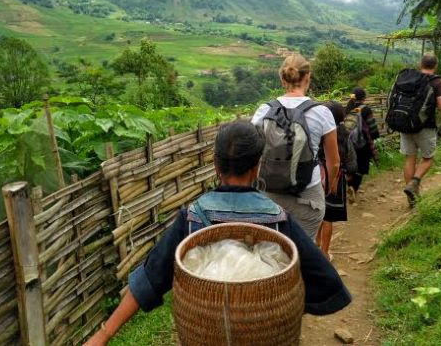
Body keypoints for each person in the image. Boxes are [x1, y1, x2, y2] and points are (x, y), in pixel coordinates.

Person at [83, 121, 352, 346]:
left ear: (215, 165)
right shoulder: (278, 220)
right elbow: (325, 280)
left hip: (205, 334)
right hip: (262, 333)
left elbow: (151, 277)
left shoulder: (191, 218)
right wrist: (286, 300)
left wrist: (104, 334)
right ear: (257, 166)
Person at [251, 54, 340, 239]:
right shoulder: (321, 113)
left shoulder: (263, 111)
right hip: (308, 195)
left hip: (269, 193)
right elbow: (334, 162)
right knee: (304, 251)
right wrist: (331, 184)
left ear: (282, 79)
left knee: (273, 248)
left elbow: (253, 155)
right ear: (308, 77)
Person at [400, 54, 441, 205]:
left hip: (405, 124)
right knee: (428, 159)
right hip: (425, 127)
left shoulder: (409, 78)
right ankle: (414, 182)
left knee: (410, 158)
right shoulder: (438, 82)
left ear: (420, 64)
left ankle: (411, 199)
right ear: (435, 65)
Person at [316, 101, 357, 258]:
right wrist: (348, 173)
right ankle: (325, 252)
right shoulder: (343, 133)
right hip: (336, 177)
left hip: (317, 175)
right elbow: (350, 158)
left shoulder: (317, 130)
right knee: (328, 216)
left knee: (318, 210)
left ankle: (317, 241)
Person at [344, 87, 380, 201]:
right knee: (362, 167)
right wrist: (374, 137)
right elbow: (372, 127)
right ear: (364, 98)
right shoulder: (366, 110)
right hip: (362, 144)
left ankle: (349, 185)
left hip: (348, 143)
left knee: (350, 167)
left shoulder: (347, 108)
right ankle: (353, 189)